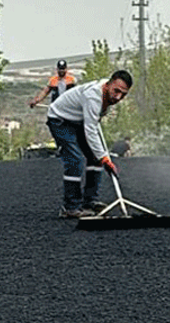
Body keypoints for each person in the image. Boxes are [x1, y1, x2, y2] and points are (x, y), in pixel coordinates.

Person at [45, 69, 132, 218]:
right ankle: (70, 207)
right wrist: (105, 157)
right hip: (60, 120)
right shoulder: (93, 96)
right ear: (108, 85)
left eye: (123, 94)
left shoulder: (107, 92)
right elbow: (90, 129)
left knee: (94, 157)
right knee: (75, 160)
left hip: (77, 120)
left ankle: (90, 200)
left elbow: (93, 124)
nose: (118, 97)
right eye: (116, 91)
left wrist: (101, 156)